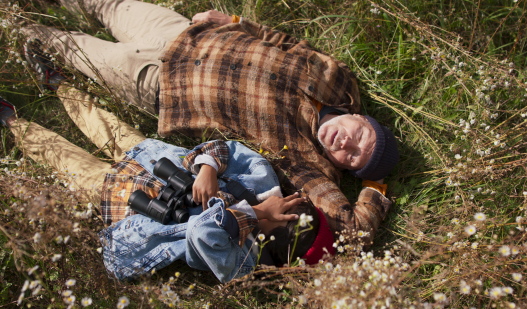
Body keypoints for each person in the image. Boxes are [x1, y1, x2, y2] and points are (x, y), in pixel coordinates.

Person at [21, 0, 399, 244]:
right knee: (108, 4)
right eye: (358, 137)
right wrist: (236, 22)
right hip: (184, 31)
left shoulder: (310, 168)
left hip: (162, 85)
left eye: (351, 159)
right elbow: (288, 44)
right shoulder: (340, 78)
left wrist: (374, 187)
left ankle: (19, 29)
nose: (343, 145)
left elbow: (353, 230)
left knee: (69, 46)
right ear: (359, 115)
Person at [0, 90, 335, 283]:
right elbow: (232, 149)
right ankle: (59, 86)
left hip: (123, 203)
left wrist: (256, 213)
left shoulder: (243, 263)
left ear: (273, 245)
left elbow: (202, 234)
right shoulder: (265, 184)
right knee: (103, 122)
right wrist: (208, 168)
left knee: (67, 162)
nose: (285, 205)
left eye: (288, 218)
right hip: (150, 161)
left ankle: (12, 122)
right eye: (298, 207)